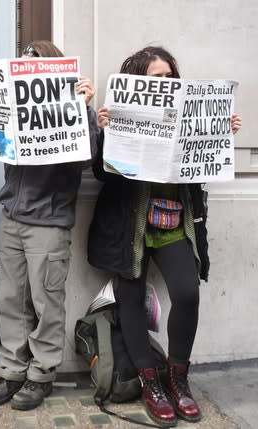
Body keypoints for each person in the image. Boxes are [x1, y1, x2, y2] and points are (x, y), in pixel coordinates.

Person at [87, 46, 242, 426]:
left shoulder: (185, 112)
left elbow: (201, 168)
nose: (167, 83)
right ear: (140, 82)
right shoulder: (121, 115)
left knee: (188, 292)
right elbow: (103, 174)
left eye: (171, 77)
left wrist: (219, 133)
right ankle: (149, 382)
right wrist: (106, 135)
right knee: (131, 299)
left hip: (174, 224)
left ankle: (179, 377)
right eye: (157, 78)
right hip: (130, 226)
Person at [0, 41, 100, 411]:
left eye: (35, 63)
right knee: (10, 299)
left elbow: (90, 158)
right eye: (24, 64)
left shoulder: (75, 102)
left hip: (49, 220)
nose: (27, 67)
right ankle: (12, 370)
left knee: (46, 302)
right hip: (12, 216)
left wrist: (85, 109)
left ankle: (41, 375)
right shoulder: (12, 103)